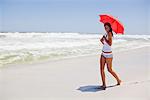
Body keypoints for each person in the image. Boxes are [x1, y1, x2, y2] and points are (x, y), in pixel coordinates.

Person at [100, 22, 121, 90]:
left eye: (106, 27)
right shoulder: (106, 33)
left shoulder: (110, 33)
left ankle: (118, 80)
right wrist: (102, 40)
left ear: (110, 27)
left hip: (109, 55)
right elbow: (105, 43)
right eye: (104, 27)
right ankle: (104, 84)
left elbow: (110, 44)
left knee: (109, 70)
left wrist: (105, 39)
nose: (105, 28)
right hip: (103, 53)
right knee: (101, 69)